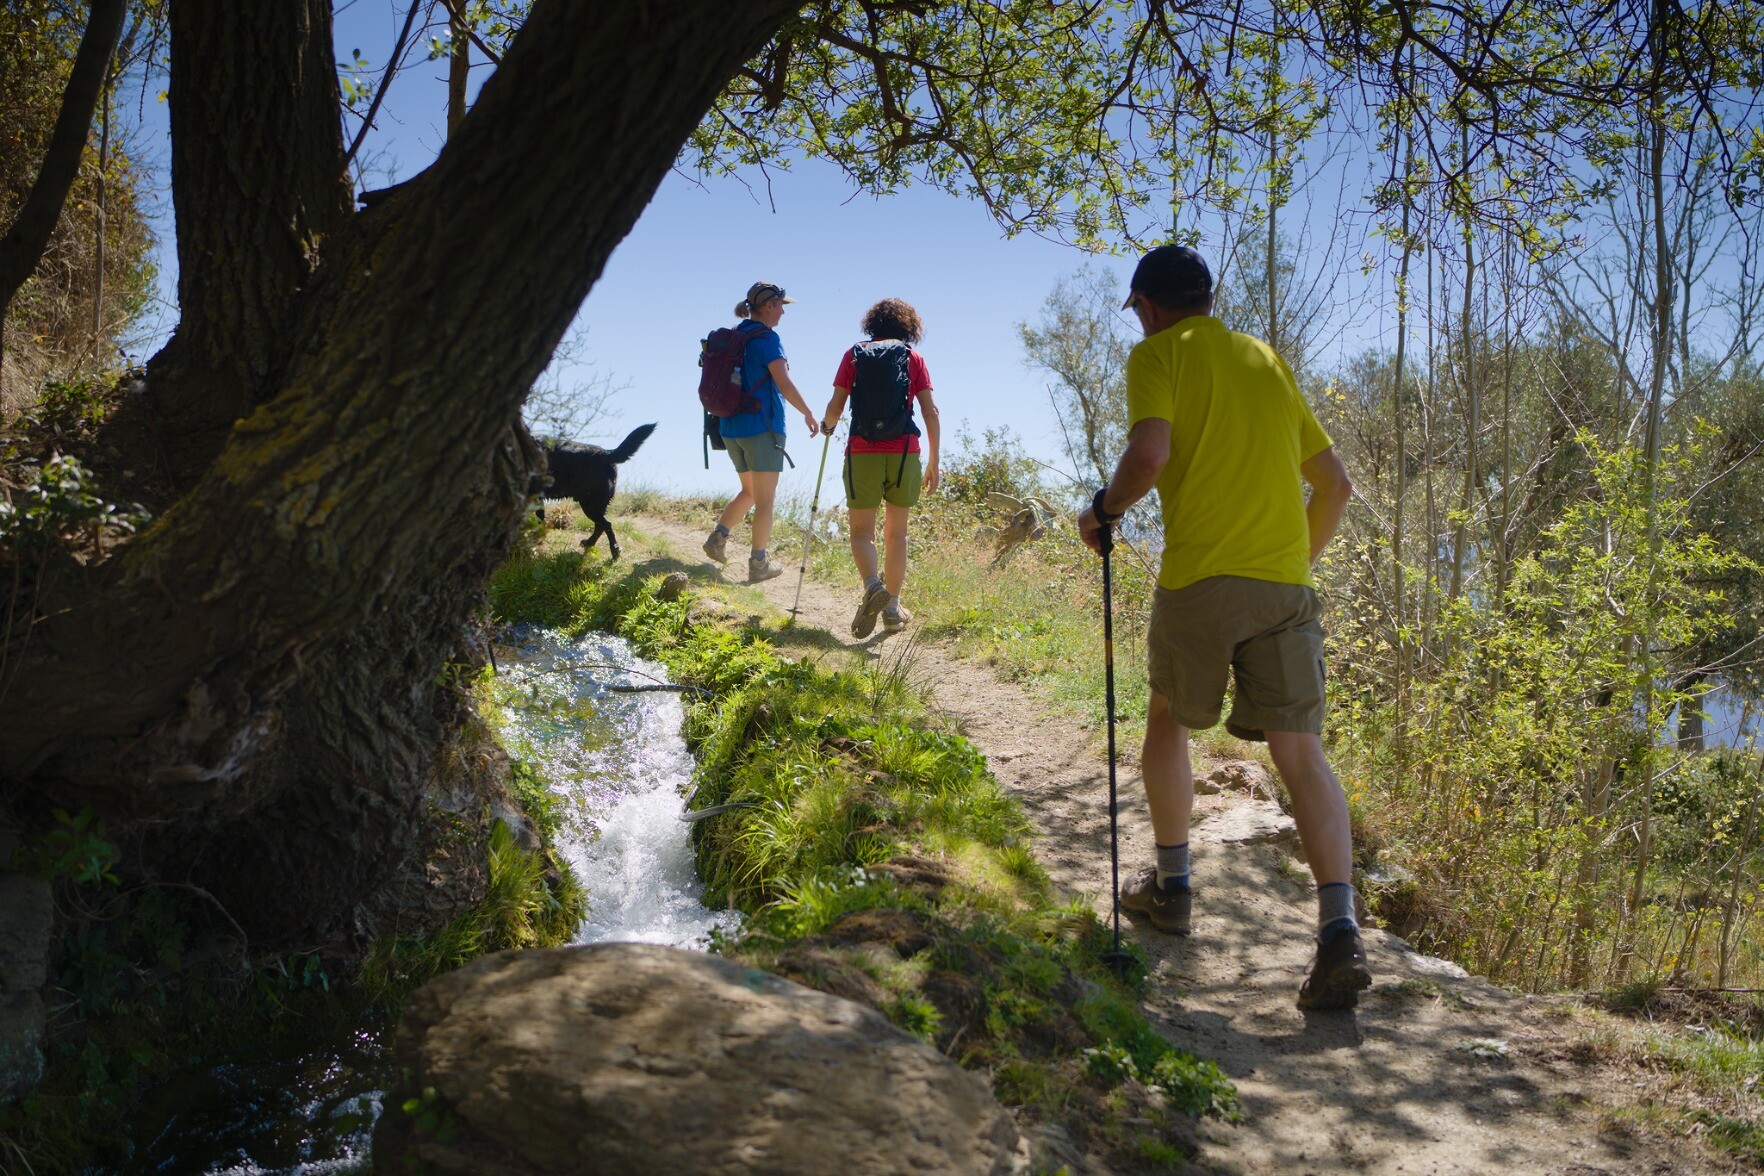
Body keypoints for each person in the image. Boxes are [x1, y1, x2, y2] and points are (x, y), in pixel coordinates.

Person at [1077, 245, 1368, 1011]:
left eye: (1137, 309)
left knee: (1169, 721)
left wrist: (1103, 515)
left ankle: (1173, 889)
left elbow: (1148, 455)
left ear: (1147, 303)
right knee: (1302, 753)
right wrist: (1286, 564)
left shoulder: (1159, 354)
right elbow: (1336, 485)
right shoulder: (1262, 358)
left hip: (1201, 580)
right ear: (1207, 296)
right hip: (1284, 585)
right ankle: (1339, 928)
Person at [820, 298, 941, 637]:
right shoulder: (913, 358)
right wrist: (933, 460)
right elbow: (931, 412)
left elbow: (835, 405)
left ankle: (873, 585)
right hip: (905, 450)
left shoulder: (853, 355)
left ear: (871, 325)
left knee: (861, 533)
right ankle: (892, 607)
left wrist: (828, 426)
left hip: (862, 451)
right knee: (897, 534)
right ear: (908, 328)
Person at [703, 281, 820, 582]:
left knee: (750, 491)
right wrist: (807, 412)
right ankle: (758, 564)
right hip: (762, 428)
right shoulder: (768, 340)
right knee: (766, 499)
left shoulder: (735, 335)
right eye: (781, 305)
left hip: (729, 427)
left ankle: (717, 539)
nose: (782, 311)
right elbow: (784, 383)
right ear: (768, 306)